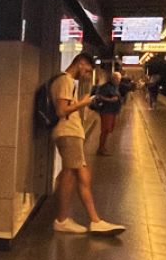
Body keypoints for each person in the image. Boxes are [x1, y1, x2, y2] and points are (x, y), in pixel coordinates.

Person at [50, 53, 126, 236]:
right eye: (88, 71)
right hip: (68, 132)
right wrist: (82, 102)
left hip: (72, 133)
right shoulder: (65, 81)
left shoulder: (67, 81)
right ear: (81, 64)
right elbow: (61, 110)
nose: (87, 75)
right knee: (70, 173)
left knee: (82, 175)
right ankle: (63, 220)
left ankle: (95, 220)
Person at [91, 70, 122, 156]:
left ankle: (102, 147)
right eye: (118, 79)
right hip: (106, 111)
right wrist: (110, 100)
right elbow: (99, 97)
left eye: (119, 79)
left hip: (112, 111)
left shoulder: (114, 87)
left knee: (109, 129)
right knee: (105, 130)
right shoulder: (106, 87)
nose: (119, 81)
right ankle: (100, 148)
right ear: (113, 79)